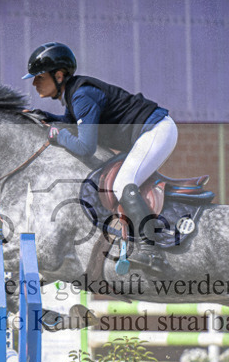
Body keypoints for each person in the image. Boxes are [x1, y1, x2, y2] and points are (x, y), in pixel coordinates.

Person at [23, 42, 177, 273]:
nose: (34, 83)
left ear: (58, 75)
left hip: (156, 130)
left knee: (123, 184)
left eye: (39, 77)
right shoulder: (73, 93)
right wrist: (46, 117)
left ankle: (152, 252)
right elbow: (72, 124)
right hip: (146, 133)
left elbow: (85, 147)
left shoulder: (82, 94)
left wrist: (56, 135)